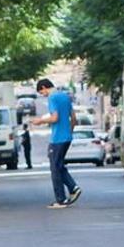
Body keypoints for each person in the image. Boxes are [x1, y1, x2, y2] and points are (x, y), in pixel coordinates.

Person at [30, 78, 81, 209]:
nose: (43, 95)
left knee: (55, 169)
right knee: (58, 165)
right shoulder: (65, 96)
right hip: (67, 137)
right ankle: (73, 188)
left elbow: (55, 117)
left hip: (57, 139)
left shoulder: (52, 98)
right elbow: (74, 118)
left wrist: (39, 121)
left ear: (44, 87)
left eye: (42, 93)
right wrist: (69, 132)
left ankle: (61, 199)